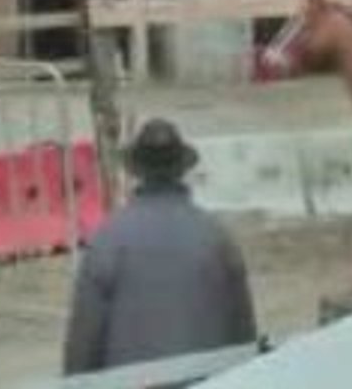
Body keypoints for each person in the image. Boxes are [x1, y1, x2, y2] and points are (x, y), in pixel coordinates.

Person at [62, 119, 258, 382]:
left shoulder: (109, 239)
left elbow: (85, 340)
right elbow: (244, 338)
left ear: (137, 171)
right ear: (181, 170)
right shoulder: (217, 238)